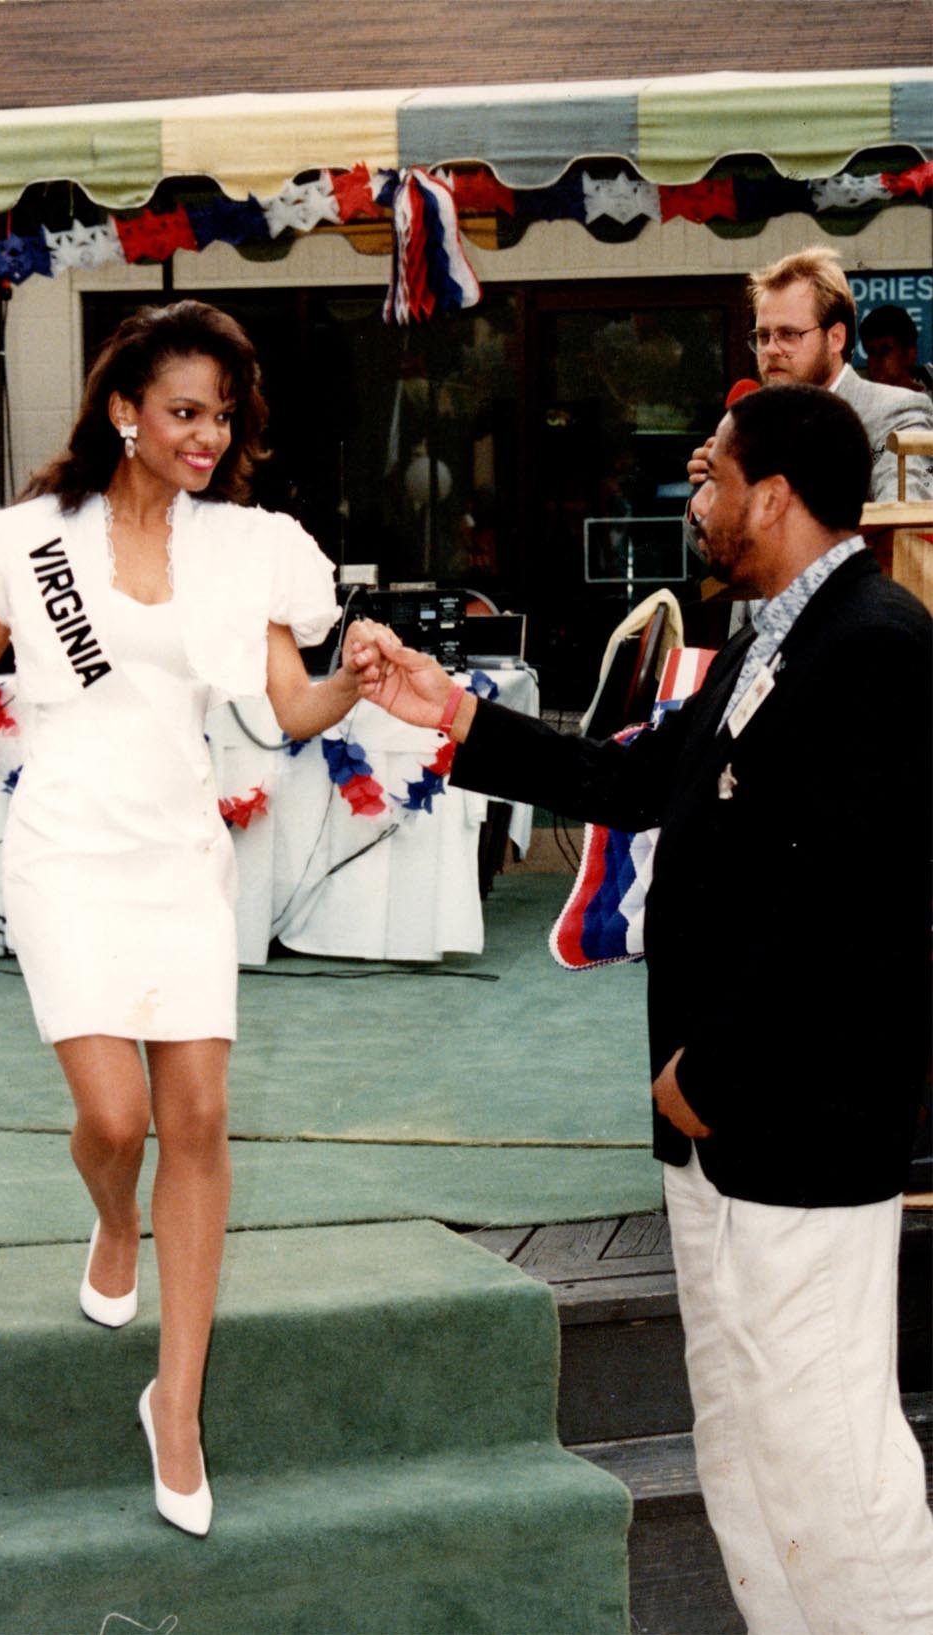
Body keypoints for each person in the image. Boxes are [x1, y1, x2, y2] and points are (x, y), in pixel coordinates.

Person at [360, 385, 933, 1634]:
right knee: (741, 1444)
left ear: (773, 496)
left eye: (713, 474)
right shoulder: (766, 639)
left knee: (832, 1457)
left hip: (795, 1132)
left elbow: (856, 911)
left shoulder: (877, 643)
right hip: (716, 1137)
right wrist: (449, 715)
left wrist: (714, 1075)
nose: (698, 496)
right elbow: (631, 777)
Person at [0, 299, 389, 1539]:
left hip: (177, 854)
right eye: (184, 412)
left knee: (195, 1117)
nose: (207, 435)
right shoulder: (31, 541)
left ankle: (179, 1400)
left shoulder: (245, 548)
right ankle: (111, 1213)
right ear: (124, 415)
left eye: (221, 415)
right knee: (117, 1118)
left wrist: (346, 682)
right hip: (67, 854)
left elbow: (287, 711)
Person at [688, 246, 933, 502]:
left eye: (789, 334)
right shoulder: (756, 428)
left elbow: (905, 521)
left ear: (836, 338)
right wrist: (710, 495)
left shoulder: (894, 412)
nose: (770, 349)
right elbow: (704, 539)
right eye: (763, 336)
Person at [859, 303, 933, 396]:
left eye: (885, 350)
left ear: (910, 355)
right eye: (871, 352)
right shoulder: (859, 403)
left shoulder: (929, 404)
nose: (877, 360)